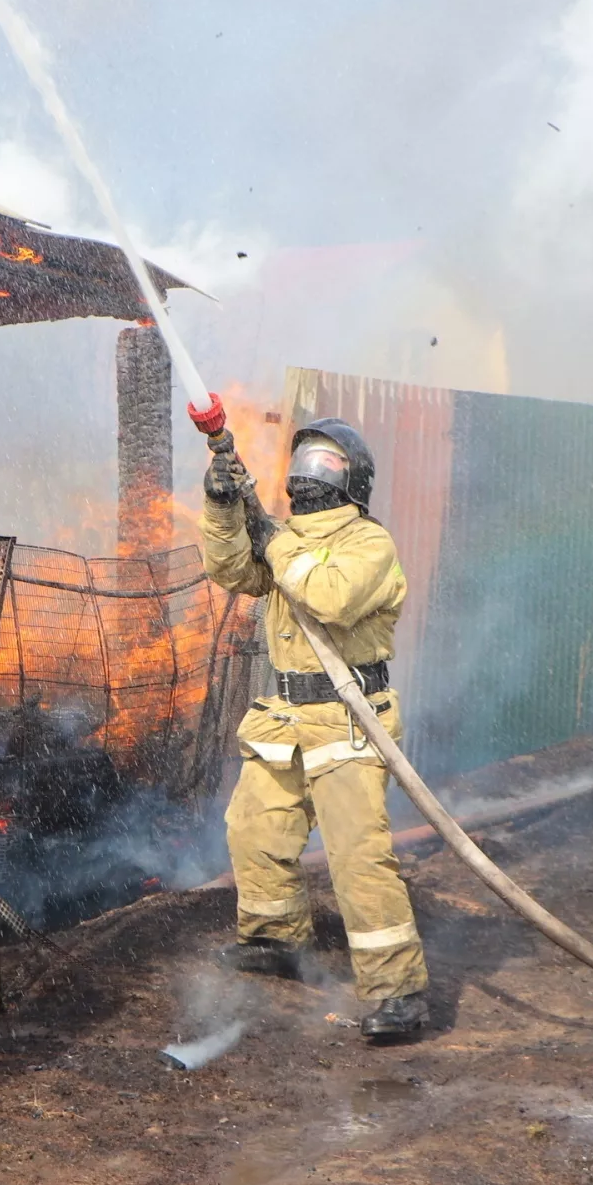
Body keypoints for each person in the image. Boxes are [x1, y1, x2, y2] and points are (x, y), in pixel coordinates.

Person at [199, 417, 429, 1040]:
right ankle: (275, 940)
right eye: (304, 462)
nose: (308, 475)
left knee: (358, 859)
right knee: (254, 828)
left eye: (325, 465)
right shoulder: (289, 539)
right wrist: (223, 509)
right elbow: (234, 572)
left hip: (349, 720)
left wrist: (273, 539)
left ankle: (398, 992)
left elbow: (328, 597)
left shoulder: (367, 544)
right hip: (286, 714)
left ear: (352, 480)